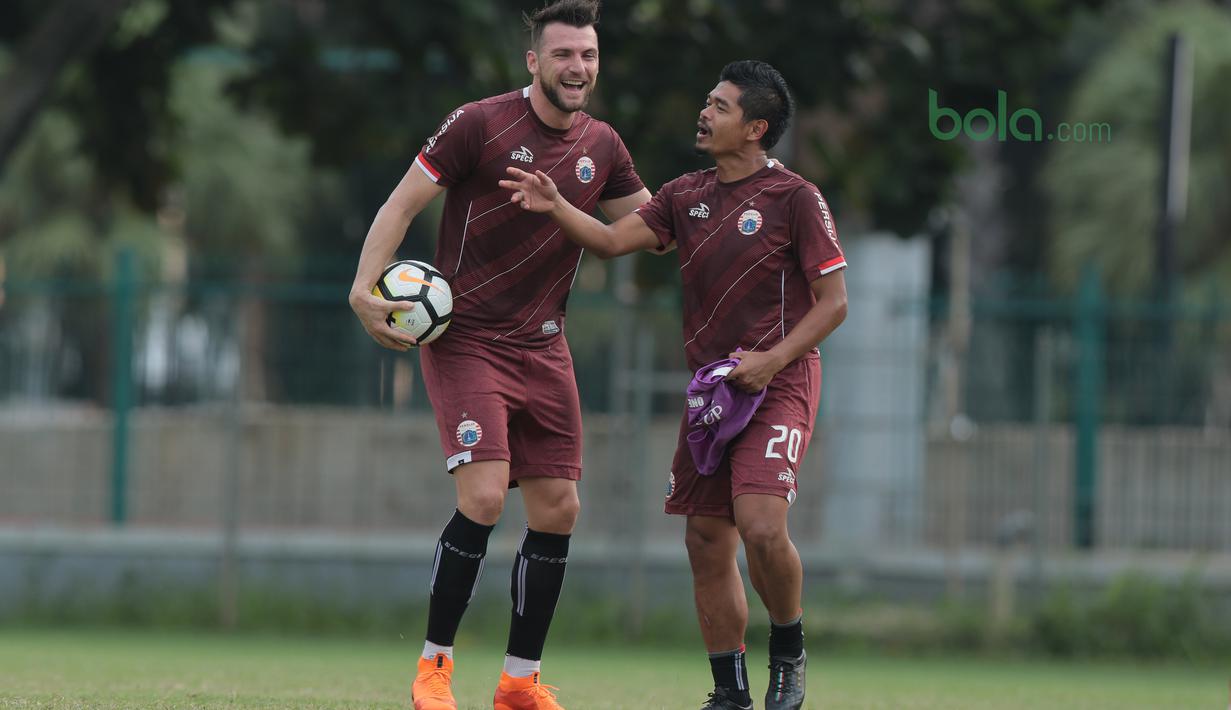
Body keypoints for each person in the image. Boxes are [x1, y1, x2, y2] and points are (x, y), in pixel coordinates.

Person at [500, 60, 848, 710]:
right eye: (707, 100)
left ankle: (789, 648)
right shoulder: (684, 195)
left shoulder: (795, 198)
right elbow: (606, 241)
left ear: (755, 128)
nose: (704, 112)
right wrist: (554, 206)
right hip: (713, 393)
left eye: (718, 105)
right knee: (704, 538)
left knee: (762, 525)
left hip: (780, 380)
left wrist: (772, 359)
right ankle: (729, 692)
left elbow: (833, 303)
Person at [348, 1, 650, 708]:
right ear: (533, 62)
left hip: (545, 347)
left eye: (588, 56)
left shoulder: (603, 145)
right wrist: (363, 287)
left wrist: (717, 199)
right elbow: (400, 206)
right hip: (468, 341)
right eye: (565, 55)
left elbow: (647, 230)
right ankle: (434, 669)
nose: (579, 68)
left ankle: (518, 682)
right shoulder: (479, 124)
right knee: (483, 496)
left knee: (559, 509)